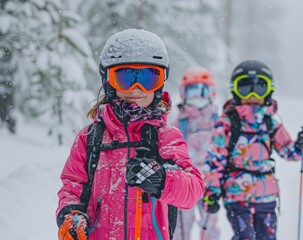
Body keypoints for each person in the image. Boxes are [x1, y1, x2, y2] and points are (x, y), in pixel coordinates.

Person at [56, 29, 204, 240]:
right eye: (125, 78)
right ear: (109, 82)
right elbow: (72, 187)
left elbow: (193, 189)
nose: (136, 88)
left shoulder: (166, 137)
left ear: (160, 85)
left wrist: (162, 180)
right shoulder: (90, 138)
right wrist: (71, 216)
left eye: (147, 78)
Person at [202, 60, 303, 240]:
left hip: (266, 197)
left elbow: (288, 151)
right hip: (237, 195)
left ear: (269, 90)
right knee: (245, 236)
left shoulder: (270, 121)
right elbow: (215, 161)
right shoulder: (227, 123)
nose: (253, 95)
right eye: (245, 88)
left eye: (260, 88)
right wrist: (212, 191)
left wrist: (302, 145)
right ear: (235, 90)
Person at [173, 67, 219, 240]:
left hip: (209, 182)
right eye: (192, 91)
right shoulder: (179, 122)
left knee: (209, 225)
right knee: (181, 225)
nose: (198, 98)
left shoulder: (217, 121)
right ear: (183, 94)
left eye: (203, 91)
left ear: (211, 93)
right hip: (186, 180)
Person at [0, 47, 17, 134]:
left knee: (7, 110)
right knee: (6, 109)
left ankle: (9, 125)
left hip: (7, 90)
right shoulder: (8, 62)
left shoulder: (10, 62)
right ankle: (8, 124)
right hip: (5, 90)